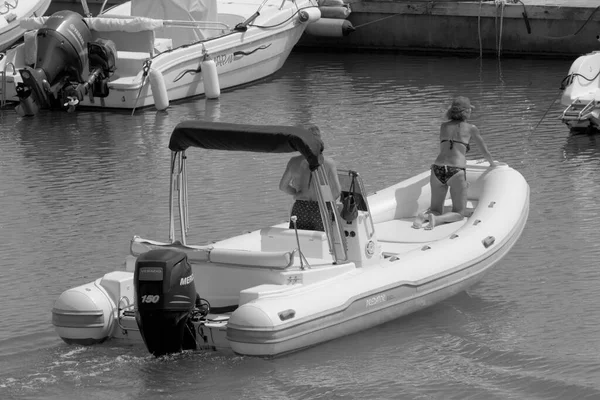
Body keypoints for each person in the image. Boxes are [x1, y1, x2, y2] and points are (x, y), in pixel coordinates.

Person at [412, 96, 496, 230]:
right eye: (470, 110)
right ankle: (437, 220)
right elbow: (484, 150)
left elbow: (444, 148)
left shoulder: (443, 126)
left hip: (437, 169)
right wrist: (492, 164)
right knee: (459, 213)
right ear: (467, 111)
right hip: (455, 171)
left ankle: (423, 216)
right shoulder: (471, 128)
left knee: (435, 209)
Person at [279, 125, 342, 231]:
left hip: (300, 207)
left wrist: (297, 193)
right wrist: (327, 202)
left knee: (300, 241)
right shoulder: (329, 163)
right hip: (321, 208)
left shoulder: (293, 162)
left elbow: (283, 186)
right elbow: (337, 190)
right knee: (322, 241)